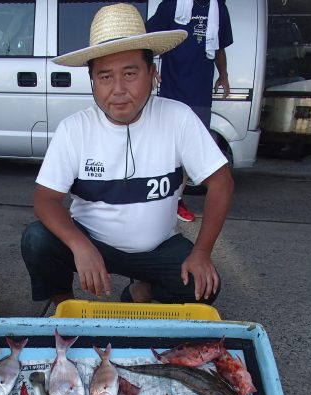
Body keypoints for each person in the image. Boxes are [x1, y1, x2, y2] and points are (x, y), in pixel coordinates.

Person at [21, 3, 233, 307]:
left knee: (203, 286)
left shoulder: (178, 117)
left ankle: (140, 291)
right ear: (92, 81)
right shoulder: (74, 129)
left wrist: (201, 253)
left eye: (130, 73)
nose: (118, 89)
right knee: (37, 240)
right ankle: (67, 311)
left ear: (152, 73)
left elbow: (222, 182)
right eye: (105, 77)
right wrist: (79, 245)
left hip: (157, 249)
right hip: (91, 242)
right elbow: (44, 200)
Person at [146, 0, 233, 222]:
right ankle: (159, 199)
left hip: (200, 94)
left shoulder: (218, 8)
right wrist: (149, 67)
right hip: (171, 90)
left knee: (187, 153)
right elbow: (148, 39)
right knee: (165, 148)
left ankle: (175, 200)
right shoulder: (171, 5)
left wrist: (223, 75)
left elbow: (219, 47)